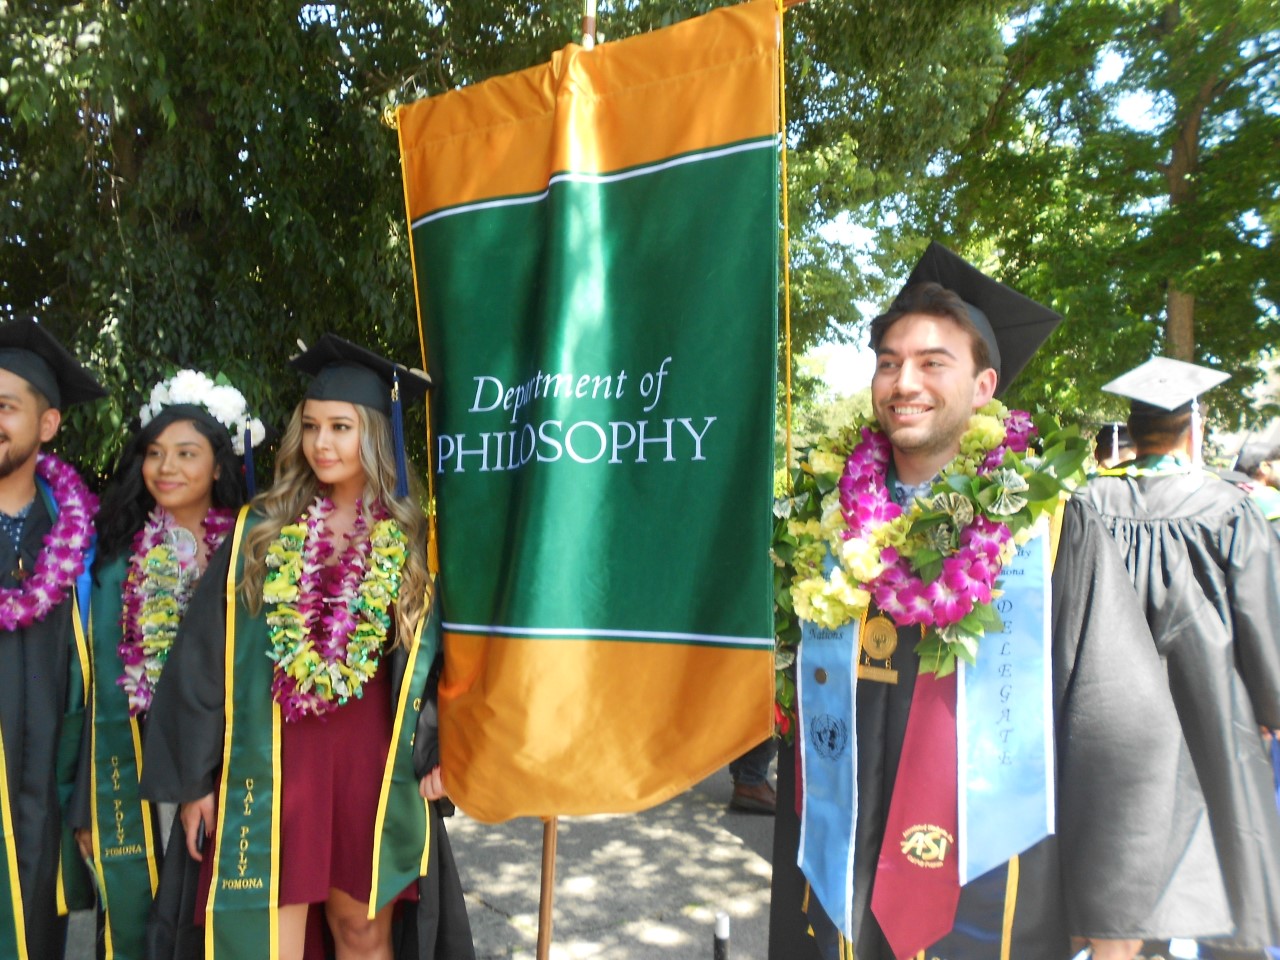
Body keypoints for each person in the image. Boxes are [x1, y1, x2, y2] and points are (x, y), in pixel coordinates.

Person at [769, 243, 1218, 960]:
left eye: (932, 363)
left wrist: (1115, 938)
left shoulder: (1050, 528)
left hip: (996, 894)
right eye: (889, 361)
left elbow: (1116, 731)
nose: (903, 381)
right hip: (843, 892)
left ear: (983, 387)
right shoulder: (830, 527)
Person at [140, 336, 473, 960]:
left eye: (342, 427)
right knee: (265, 941)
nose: (323, 443)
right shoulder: (262, 533)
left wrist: (445, 747)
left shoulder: (417, 546)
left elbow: (448, 670)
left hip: (372, 771)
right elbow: (204, 659)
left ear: (375, 434)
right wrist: (194, 781)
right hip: (272, 767)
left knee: (363, 935)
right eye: (313, 426)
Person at [1078, 357, 1280, 959]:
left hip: (1107, 699)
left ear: (1134, 432)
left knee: (1123, 831)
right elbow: (1258, 613)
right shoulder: (1227, 505)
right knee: (1221, 821)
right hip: (1209, 698)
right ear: (1193, 427)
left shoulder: (1089, 500)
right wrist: (1271, 701)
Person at [67, 370, 262, 960]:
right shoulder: (111, 565)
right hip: (135, 772)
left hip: (225, 768)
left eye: (185, 453)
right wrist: (86, 807)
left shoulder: (251, 557)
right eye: (155, 453)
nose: (166, 467)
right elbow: (89, 687)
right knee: (139, 922)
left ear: (220, 466)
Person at [0, 318, 105, 958]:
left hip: (45, 787)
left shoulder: (81, 542)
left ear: (47, 425)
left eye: (6, 407)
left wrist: (90, 796)